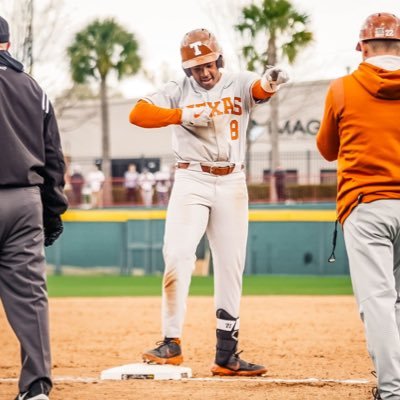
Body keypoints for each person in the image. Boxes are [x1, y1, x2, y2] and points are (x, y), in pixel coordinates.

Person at [129, 28, 288, 376]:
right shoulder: (177, 91)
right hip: (192, 177)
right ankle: (171, 343)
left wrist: (271, 84)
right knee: (177, 253)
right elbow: (138, 114)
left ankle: (226, 354)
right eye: (197, 67)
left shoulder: (238, 81)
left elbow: (259, 90)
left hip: (232, 179)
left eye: (209, 63)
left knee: (230, 265)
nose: (204, 72)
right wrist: (181, 115)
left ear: (219, 59)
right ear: (187, 69)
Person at [316, 13, 400, 400]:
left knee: (378, 301)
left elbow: (327, 149)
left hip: (367, 206)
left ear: (362, 47)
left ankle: (391, 390)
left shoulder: (343, 88)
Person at [0, 16, 67, 400]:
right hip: (25, 202)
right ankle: (36, 387)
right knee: (30, 296)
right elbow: (54, 159)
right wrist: (52, 211)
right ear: (7, 45)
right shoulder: (33, 88)